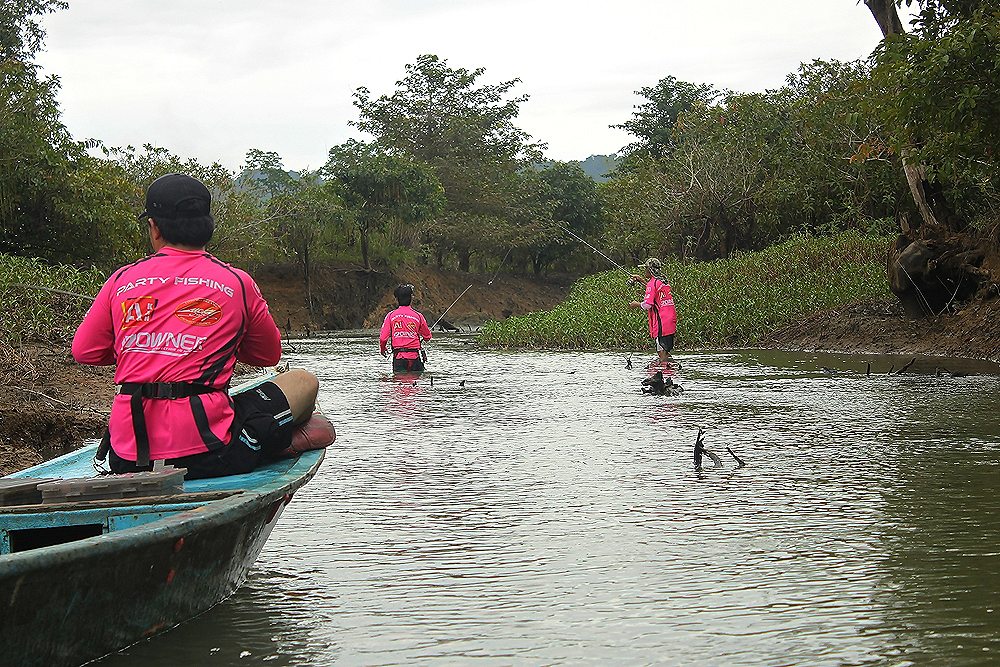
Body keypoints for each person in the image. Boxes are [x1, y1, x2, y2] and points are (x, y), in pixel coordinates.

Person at [72, 173, 330, 479]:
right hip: (210, 454)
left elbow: (85, 352)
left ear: (154, 228)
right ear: (207, 226)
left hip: (128, 457)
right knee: (303, 382)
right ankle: (282, 443)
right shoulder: (237, 282)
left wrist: (148, 348)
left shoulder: (121, 279)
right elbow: (268, 355)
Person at [629, 257, 678, 364]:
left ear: (650, 270)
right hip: (670, 320)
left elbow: (647, 305)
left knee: (662, 353)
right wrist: (641, 280)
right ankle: (670, 370)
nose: (644, 271)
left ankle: (667, 374)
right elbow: (654, 291)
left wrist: (635, 304)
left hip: (662, 322)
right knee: (663, 351)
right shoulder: (663, 281)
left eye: (646, 268)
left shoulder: (652, 284)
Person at [379, 284, 432, 372]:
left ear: (396, 299)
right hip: (415, 358)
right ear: (411, 298)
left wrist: (382, 349)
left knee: (399, 383)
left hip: (398, 358)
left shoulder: (390, 316)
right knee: (416, 383)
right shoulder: (418, 316)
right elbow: (427, 337)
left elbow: (383, 338)